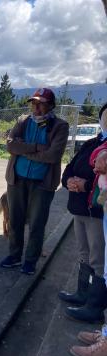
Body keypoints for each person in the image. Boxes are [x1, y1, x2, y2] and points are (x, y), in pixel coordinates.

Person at [0, 88, 69, 275]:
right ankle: (14, 256)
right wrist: (37, 148)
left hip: (42, 184)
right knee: (15, 220)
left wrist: (24, 151)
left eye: (41, 104)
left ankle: (30, 261)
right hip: (17, 179)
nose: (36, 107)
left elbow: (53, 155)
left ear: (50, 106)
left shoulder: (60, 126)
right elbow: (11, 144)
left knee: (37, 223)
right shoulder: (23, 121)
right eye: (34, 103)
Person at [58, 102, 106, 320]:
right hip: (79, 208)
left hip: (97, 212)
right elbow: (70, 166)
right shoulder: (91, 143)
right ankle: (82, 294)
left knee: (98, 258)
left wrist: (84, 185)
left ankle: (94, 308)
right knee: (83, 252)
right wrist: (69, 180)